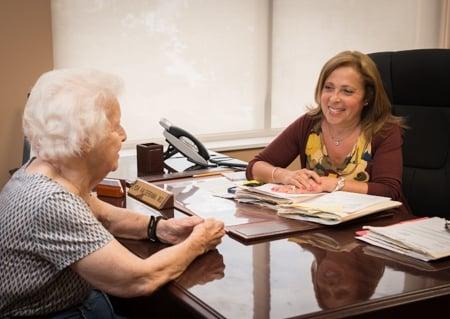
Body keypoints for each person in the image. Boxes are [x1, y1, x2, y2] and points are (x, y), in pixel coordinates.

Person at [0, 69, 225, 318]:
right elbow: (139, 279)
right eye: (115, 126)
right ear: (84, 138)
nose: (124, 135)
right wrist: (199, 242)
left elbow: (105, 215)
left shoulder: (40, 170)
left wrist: (160, 228)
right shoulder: (51, 201)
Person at [246, 50, 410, 213]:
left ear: (367, 97)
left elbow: (389, 191)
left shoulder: (384, 130)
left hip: (377, 226)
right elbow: (254, 167)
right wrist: (285, 176)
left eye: (347, 91)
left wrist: (333, 184)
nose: (334, 98)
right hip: (321, 222)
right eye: (328, 88)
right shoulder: (310, 123)